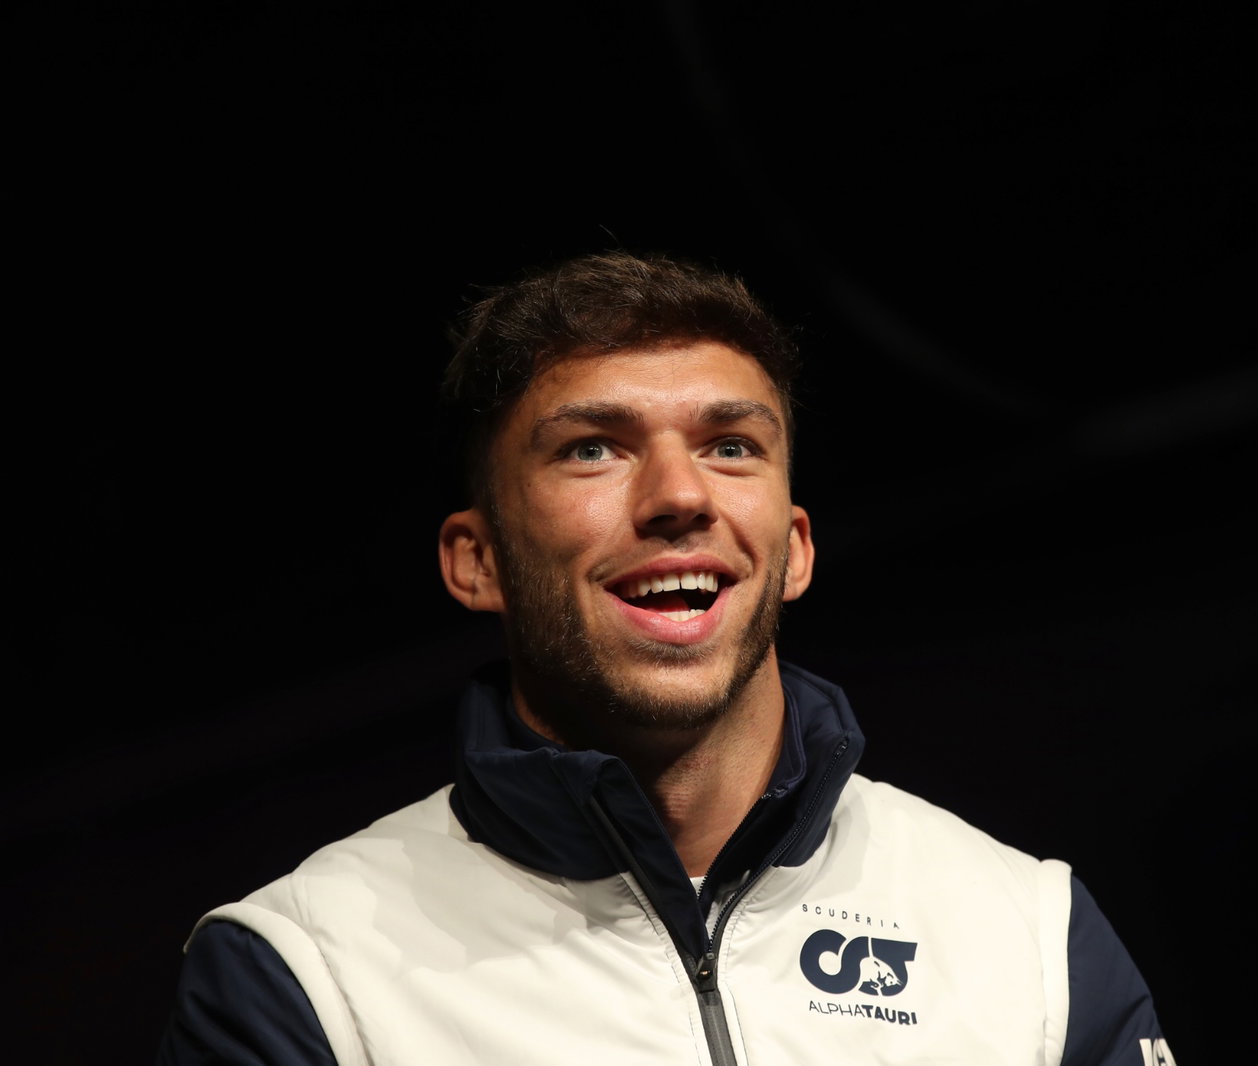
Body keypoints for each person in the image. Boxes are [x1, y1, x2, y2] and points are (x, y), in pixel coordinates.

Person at [156, 251, 1174, 1065]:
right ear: (478, 560)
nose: (679, 495)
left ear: (795, 548)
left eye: (731, 444)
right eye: (593, 446)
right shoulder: (302, 973)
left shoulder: (1026, 934)